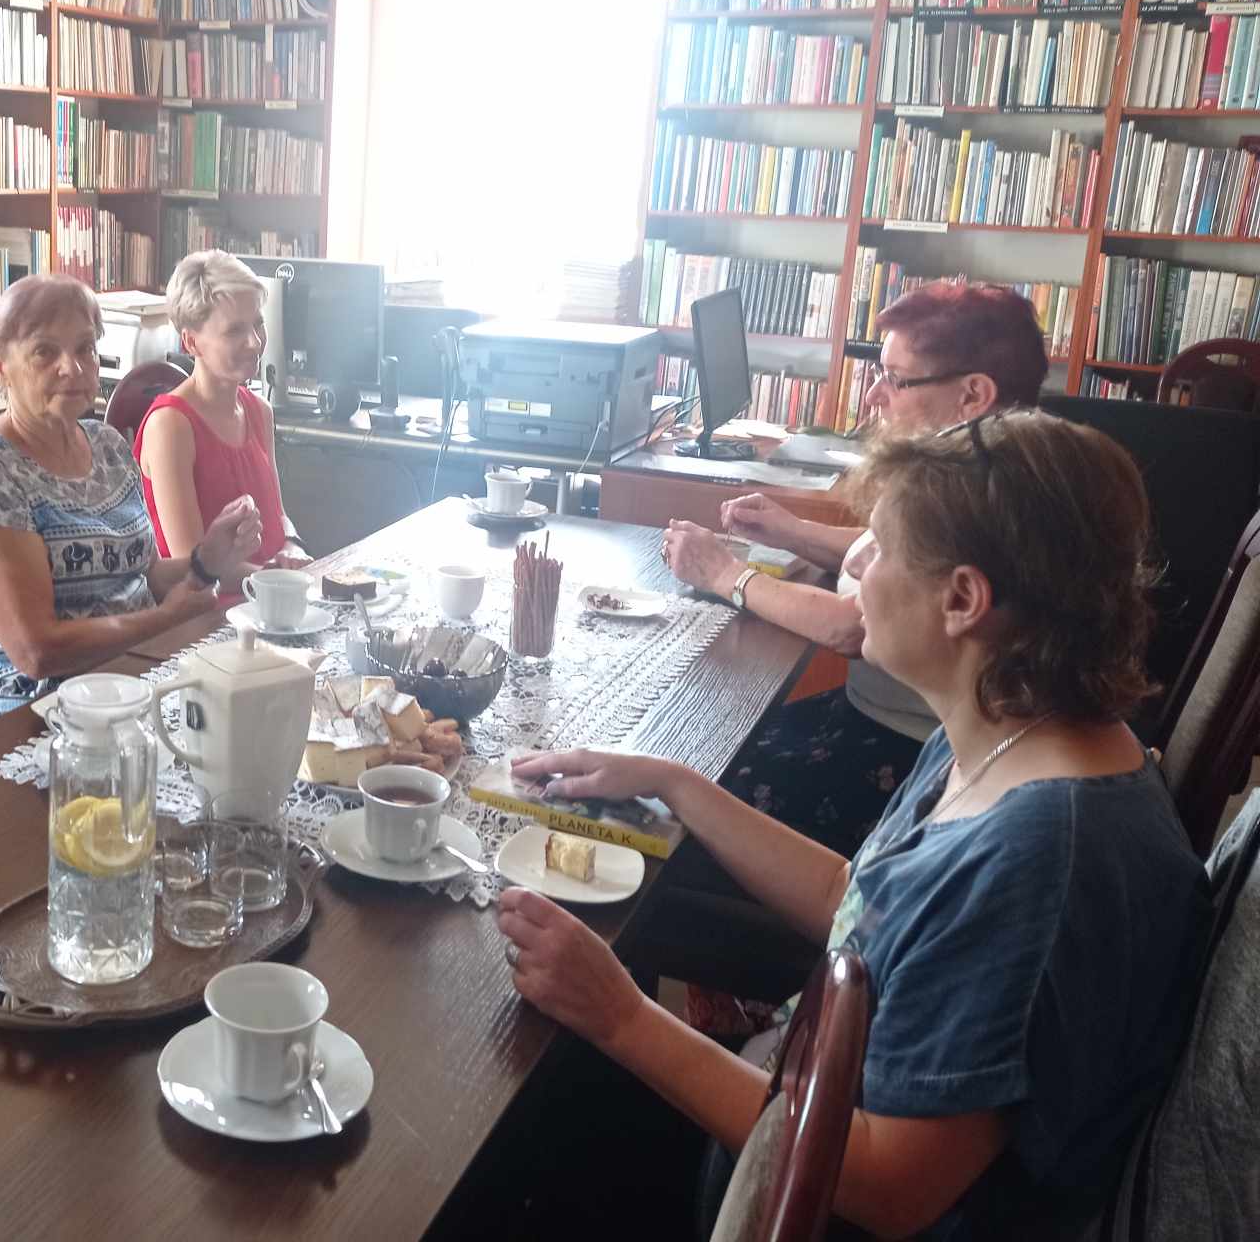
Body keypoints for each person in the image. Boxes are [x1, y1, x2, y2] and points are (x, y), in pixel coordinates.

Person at [499, 411, 1209, 1240]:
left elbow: (887, 1189)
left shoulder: (1041, 863)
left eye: (881, 547)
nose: (855, 565)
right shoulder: (1009, 723)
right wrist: (674, 783)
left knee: (515, 1137)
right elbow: (860, 897)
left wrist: (622, 1016)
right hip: (797, 1098)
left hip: (811, 1201)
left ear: (963, 600)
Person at [660, 282, 1049, 855]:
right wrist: (793, 531)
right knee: (701, 746)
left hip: (907, 752)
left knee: (680, 788)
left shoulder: (972, 498)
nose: (873, 395)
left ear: (973, 394)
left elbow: (854, 625)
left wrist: (725, 575)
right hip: (888, 725)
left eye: (897, 378)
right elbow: (891, 553)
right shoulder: (986, 468)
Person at [0, 276, 262, 721]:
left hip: (135, 684)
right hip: (37, 717)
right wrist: (166, 619)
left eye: (84, 349)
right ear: (0, 364)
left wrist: (205, 560)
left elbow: (145, 575)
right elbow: (36, 651)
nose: (72, 368)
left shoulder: (107, 445)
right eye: (44, 352)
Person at [135, 251, 309, 568]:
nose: (254, 342)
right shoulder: (170, 426)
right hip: (214, 598)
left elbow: (278, 516)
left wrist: (292, 544)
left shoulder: (260, 411)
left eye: (258, 324)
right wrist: (273, 577)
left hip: (268, 589)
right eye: (234, 331)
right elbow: (191, 566)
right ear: (191, 343)